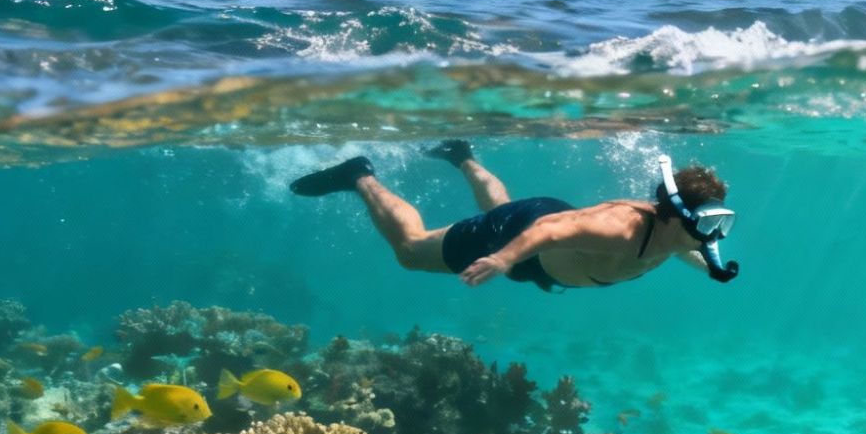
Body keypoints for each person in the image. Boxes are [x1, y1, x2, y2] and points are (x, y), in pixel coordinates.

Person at [290, 141, 739, 291]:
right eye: (705, 223)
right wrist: (503, 260)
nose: (713, 234)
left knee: (500, 208)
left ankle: (462, 155)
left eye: (721, 222)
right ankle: (359, 176)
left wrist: (709, 270)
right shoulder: (619, 231)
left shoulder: (681, 235)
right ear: (672, 215)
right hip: (529, 233)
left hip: (544, 246)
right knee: (410, 251)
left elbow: (685, 249)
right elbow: (545, 229)